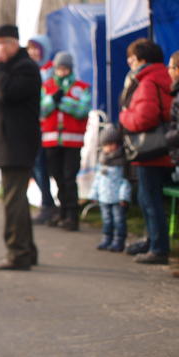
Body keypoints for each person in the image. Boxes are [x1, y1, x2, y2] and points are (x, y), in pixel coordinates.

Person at [0, 24, 40, 270]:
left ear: (11, 44)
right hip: (6, 142)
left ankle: (17, 253)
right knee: (16, 199)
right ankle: (27, 249)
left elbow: (7, 93)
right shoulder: (10, 67)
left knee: (14, 201)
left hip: (16, 143)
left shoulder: (24, 68)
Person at [120, 38, 173, 265]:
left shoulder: (147, 81)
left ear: (142, 59)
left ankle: (158, 247)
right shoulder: (163, 77)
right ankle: (152, 241)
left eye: (132, 58)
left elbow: (145, 118)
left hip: (151, 151)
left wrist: (124, 116)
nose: (129, 63)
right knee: (149, 199)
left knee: (149, 200)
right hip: (164, 149)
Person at [41, 51, 91, 231]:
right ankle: (61, 212)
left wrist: (61, 101)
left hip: (72, 142)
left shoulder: (81, 87)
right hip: (51, 141)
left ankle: (72, 215)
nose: (62, 72)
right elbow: (42, 109)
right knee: (58, 178)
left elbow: (82, 110)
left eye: (65, 68)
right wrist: (52, 100)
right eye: (59, 68)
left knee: (70, 178)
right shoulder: (47, 87)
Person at [27, 35, 56, 225]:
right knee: (34, 165)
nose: (33, 52)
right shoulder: (30, 70)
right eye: (30, 48)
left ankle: (49, 205)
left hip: (49, 127)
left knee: (42, 165)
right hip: (33, 124)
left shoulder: (51, 71)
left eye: (36, 48)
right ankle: (48, 203)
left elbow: (47, 101)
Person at [88, 124, 131, 252]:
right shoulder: (101, 161)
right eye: (108, 144)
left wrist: (124, 197)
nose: (111, 147)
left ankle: (119, 241)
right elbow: (97, 179)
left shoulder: (122, 162)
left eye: (114, 143)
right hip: (104, 197)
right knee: (107, 220)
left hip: (117, 199)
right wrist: (94, 194)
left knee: (119, 220)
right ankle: (107, 238)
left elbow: (125, 181)